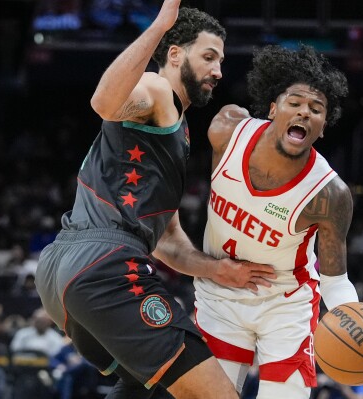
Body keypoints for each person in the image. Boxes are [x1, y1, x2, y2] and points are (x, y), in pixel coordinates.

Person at [34, 1, 276, 398]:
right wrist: (161, 25)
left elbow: (166, 241)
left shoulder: (173, 132)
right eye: (209, 57)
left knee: (145, 386)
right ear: (176, 53)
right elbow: (104, 103)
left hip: (62, 271)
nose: (218, 71)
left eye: (221, 61)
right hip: (103, 264)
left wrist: (218, 270)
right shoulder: (158, 90)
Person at [194, 44, 363, 399]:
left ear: (323, 127)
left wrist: (361, 322)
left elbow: (335, 281)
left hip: (285, 303)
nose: (305, 112)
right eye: (295, 103)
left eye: (316, 109)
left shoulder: (330, 194)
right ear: (273, 109)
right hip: (220, 291)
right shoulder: (227, 131)